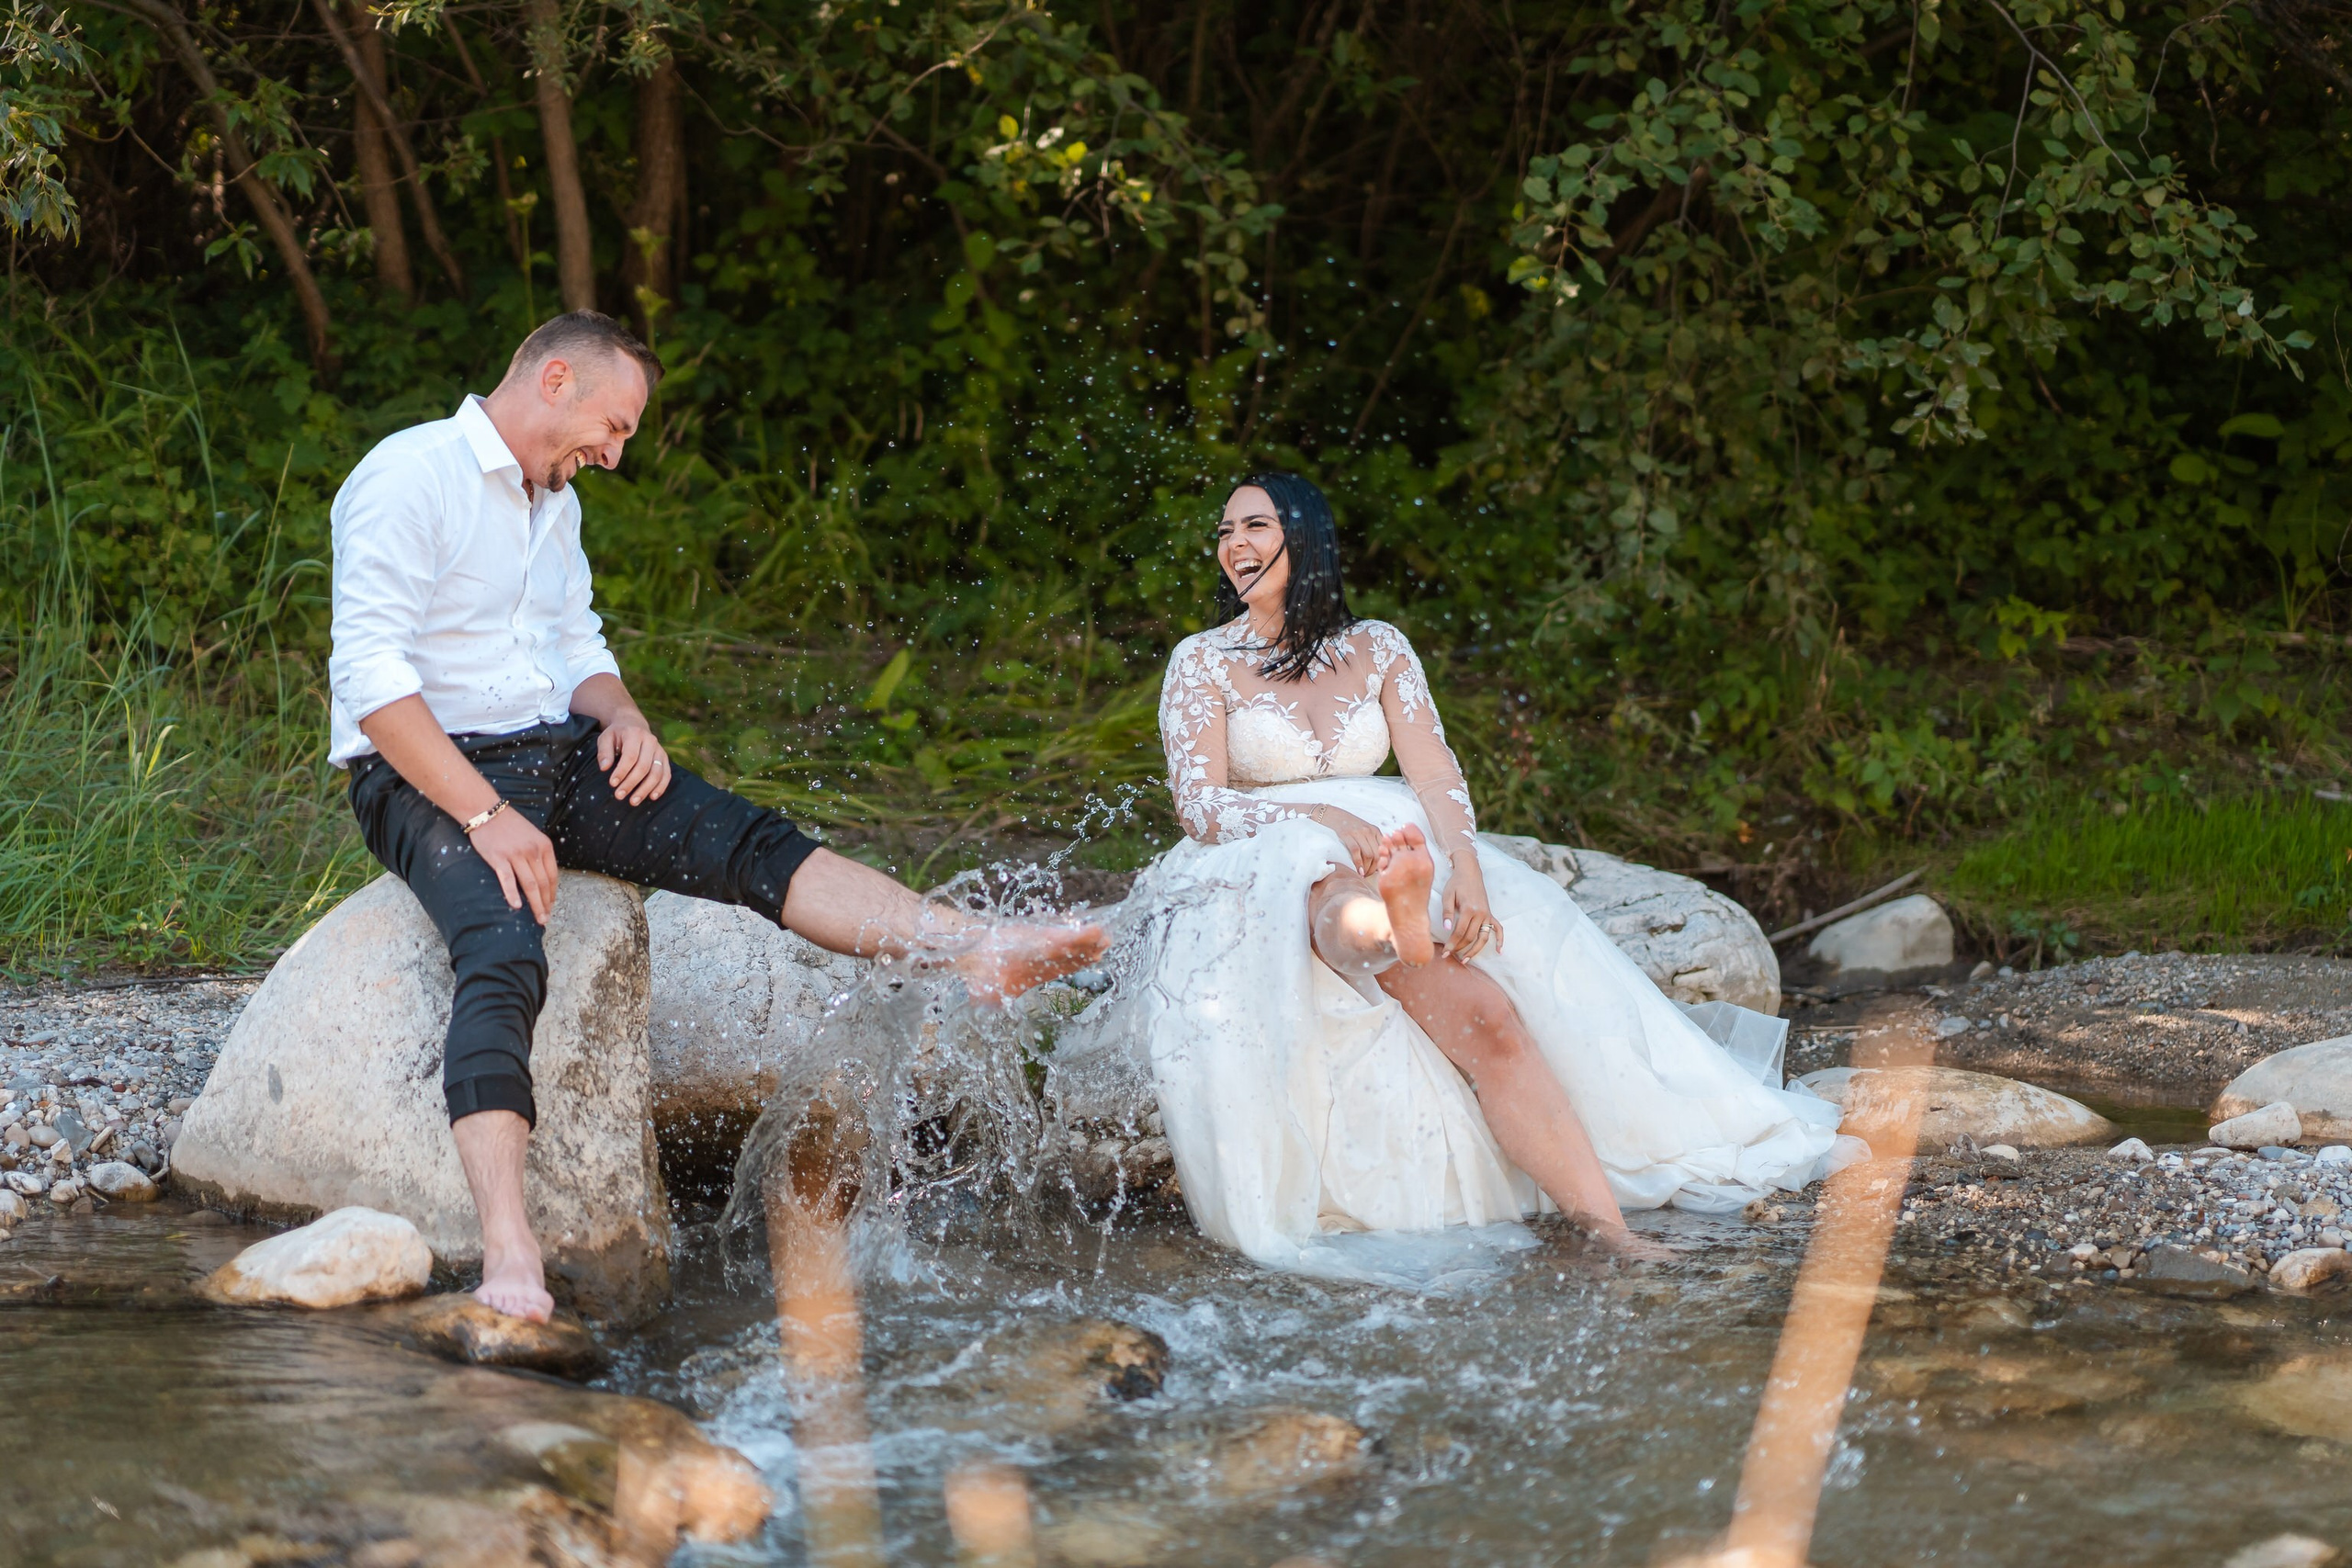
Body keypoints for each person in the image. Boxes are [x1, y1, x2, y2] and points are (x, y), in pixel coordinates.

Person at [328, 310, 1103, 1322]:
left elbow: (574, 642)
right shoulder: (408, 474)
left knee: (745, 842)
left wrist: (622, 713)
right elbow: (372, 680)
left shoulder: (548, 502)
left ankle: (970, 947)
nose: (611, 454)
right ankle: (508, 1250)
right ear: (553, 379)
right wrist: (485, 818)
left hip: (557, 752)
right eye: (611, 427)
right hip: (424, 775)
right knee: (506, 953)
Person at [1114, 471, 1859, 1279]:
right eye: (1225, 532)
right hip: (1265, 852)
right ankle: (1393, 925)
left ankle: (1612, 1231)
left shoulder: (1381, 646)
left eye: (1255, 526)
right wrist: (1323, 820)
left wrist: (1465, 870)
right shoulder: (1202, 662)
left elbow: (1434, 774)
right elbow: (1201, 805)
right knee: (1327, 894)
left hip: (1398, 842)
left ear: (1306, 535)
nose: (1235, 547)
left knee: (1495, 1019)